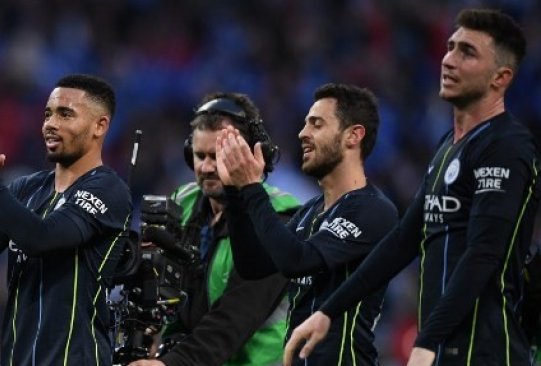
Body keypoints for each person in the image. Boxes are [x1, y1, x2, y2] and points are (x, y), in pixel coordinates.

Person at [284, 8, 541, 366]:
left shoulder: (506, 145)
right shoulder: (446, 147)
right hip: (443, 351)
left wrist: (428, 340)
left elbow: (485, 253)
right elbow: (404, 239)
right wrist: (329, 311)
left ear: (501, 77)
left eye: (467, 52)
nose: (448, 60)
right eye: (450, 47)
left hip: (486, 353)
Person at [0, 74, 132, 365]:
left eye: (65, 114)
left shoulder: (108, 189)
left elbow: (41, 238)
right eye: (48, 114)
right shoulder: (28, 188)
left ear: (100, 125)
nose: (50, 124)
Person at [216, 83, 399, 365]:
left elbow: (297, 261)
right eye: (304, 124)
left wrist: (253, 187)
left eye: (316, 124)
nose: (303, 134)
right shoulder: (310, 212)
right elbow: (253, 265)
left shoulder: (374, 210)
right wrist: (234, 193)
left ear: (353, 135)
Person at [129, 92, 300, 366]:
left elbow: (236, 316)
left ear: (250, 155)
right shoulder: (181, 203)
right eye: (199, 156)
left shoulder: (279, 219)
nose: (208, 167)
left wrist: (171, 364)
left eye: (218, 156)